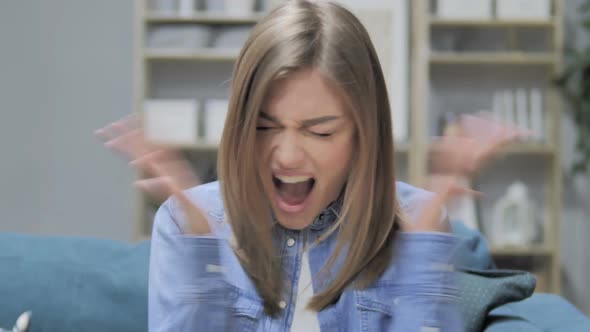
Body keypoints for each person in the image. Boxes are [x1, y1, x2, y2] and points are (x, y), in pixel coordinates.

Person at [97, 1, 521, 330]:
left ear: (364, 134)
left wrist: (423, 251)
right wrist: (202, 252)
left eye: (319, 132)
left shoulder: (418, 221)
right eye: (265, 126)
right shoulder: (185, 222)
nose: (286, 155)